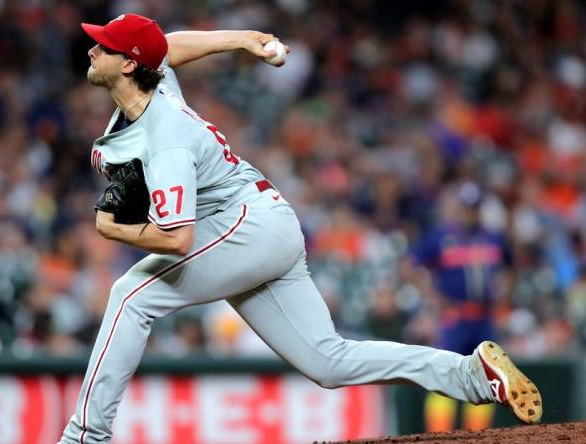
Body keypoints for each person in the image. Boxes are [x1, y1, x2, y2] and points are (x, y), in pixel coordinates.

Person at [59, 14, 542, 444]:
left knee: (130, 294)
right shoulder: (155, 83)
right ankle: (473, 376)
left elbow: (178, 238)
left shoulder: (166, 140)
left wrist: (113, 229)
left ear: (127, 66)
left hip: (246, 226)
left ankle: (84, 437)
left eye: (103, 45)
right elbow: (169, 47)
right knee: (327, 362)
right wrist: (242, 38)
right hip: (260, 225)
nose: (91, 49)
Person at [406, 181, 513, 431]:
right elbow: (410, 265)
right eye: (467, 208)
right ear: (459, 208)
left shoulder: (492, 237)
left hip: (484, 317)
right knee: (446, 375)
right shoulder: (441, 236)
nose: (471, 213)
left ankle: (477, 436)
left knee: (487, 378)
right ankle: (439, 435)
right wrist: (432, 295)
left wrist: (504, 289)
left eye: (475, 208)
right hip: (454, 316)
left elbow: (511, 266)